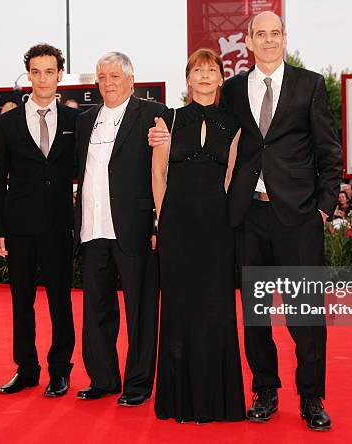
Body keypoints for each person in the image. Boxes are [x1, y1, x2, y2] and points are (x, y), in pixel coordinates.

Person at [151, 11, 341, 430]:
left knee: (304, 313)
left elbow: (329, 151)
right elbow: (198, 123)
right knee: (256, 312)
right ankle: (265, 390)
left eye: (276, 33)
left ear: (284, 38)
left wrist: (324, 209)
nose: (269, 40)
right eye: (261, 34)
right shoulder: (233, 89)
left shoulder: (310, 84)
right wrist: (159, 134)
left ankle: (311, 397)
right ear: (249, 42)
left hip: (298, 216)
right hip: (246, 215)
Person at [151, 49, 245, 423]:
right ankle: (180, 401)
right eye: (197, 70)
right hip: (177, 225)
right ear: (188, 79)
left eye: (211, 70)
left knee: (216, 308)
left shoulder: (234, 124)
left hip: (217, 227)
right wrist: (163, 220)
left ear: (221, 79)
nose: (205, 76)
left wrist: (222, 218)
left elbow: (230, 176)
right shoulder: (167, 120)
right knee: (178, 309)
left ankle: (215, 402)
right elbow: (158, 175)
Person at [0, 44, 80, 397]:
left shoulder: (76, 120)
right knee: (21, 301)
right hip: (19, 226)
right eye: (36, 71)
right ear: (29, 74)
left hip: (59, 225)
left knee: (60, 301)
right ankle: (26, 369)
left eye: (50, 71)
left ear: (60, 75)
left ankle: (60, 371)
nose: (43, 78)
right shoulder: (6, 122)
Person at [73, 52, 165, 407]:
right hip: (92, 228)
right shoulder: (85, 120)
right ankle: (103, 379)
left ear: (131, 79)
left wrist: (159, 221)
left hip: (135, 228)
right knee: (96, 308)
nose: (108, 82)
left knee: (140, 310)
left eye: (114, 76)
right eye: (101, 77)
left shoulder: (153, 113)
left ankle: (138, 384)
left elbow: (162, 172)